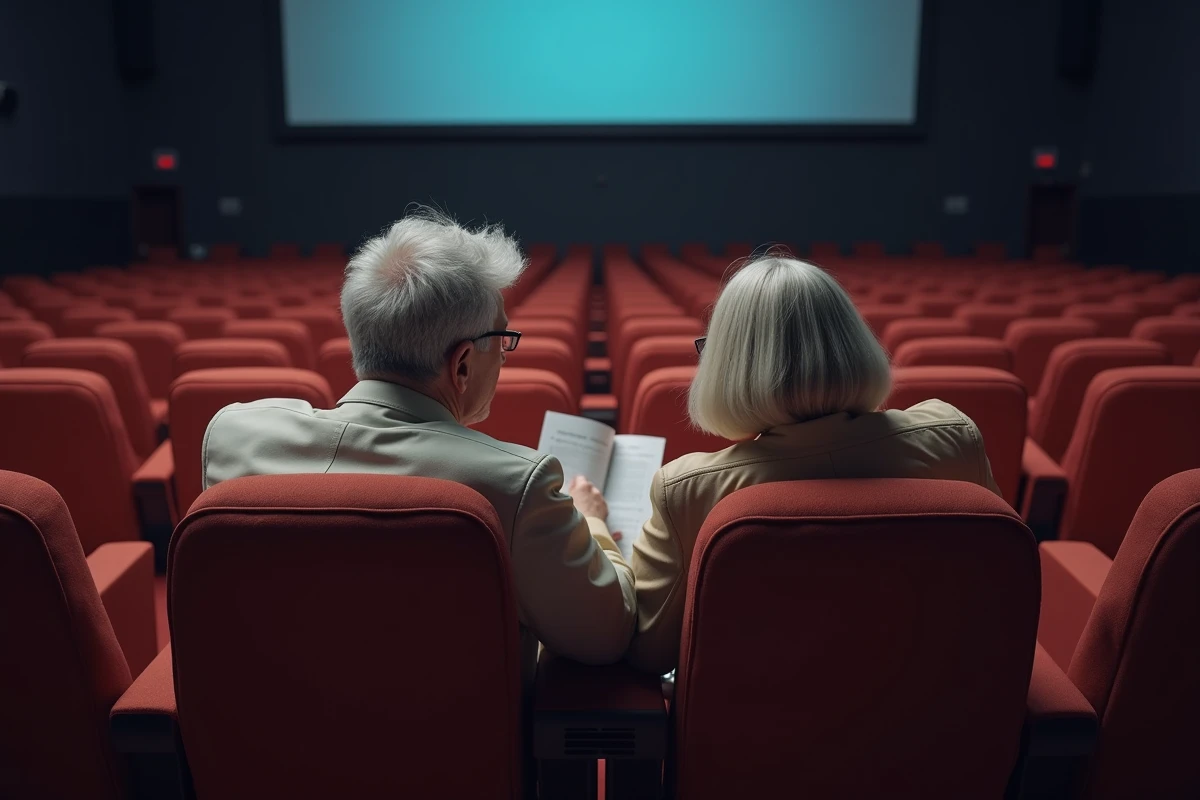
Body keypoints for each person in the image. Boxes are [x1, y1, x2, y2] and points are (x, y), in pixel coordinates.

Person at [203, 210, 635, 670]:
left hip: (257, 735)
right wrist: (591, 523)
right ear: (463, 364)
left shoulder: (233, 435)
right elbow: (605, 635)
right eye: (503, 338)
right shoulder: (513, 485)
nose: (505, 359)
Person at [626, 255, 1001, 675]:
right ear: (853, 341)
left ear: (727, 367)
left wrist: (598, 527)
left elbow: (646, 652)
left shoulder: (688, 490)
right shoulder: (953, 438)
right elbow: (998, 598)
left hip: (756, 731)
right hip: (946, 721)